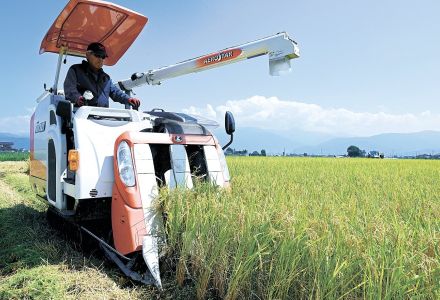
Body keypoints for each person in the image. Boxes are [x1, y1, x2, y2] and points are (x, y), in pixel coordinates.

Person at [64, 42, 140, 109]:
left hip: (102, 116)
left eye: (103, 56)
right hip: (82, 117)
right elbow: (70, 90)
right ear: (87, 55)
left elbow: (116, 93)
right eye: (97, 55)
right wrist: (78, 98)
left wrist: (128, 99)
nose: (100, 59)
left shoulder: (106, 78)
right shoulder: (75, 70)